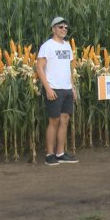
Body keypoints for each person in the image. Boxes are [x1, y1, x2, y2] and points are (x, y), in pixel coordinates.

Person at [36, 17, 79, 166]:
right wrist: (47, 88)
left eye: (66, 27)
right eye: (60, 27)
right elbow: (39, 68)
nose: (64, 30)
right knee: (53, 121)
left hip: (66, 88)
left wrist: (72, 87)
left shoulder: (67, 46)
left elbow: (69, 68)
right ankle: (49, 154)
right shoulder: (47, 46)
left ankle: (60, 153)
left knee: (65, 120)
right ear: (53, 28)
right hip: (53, 89)